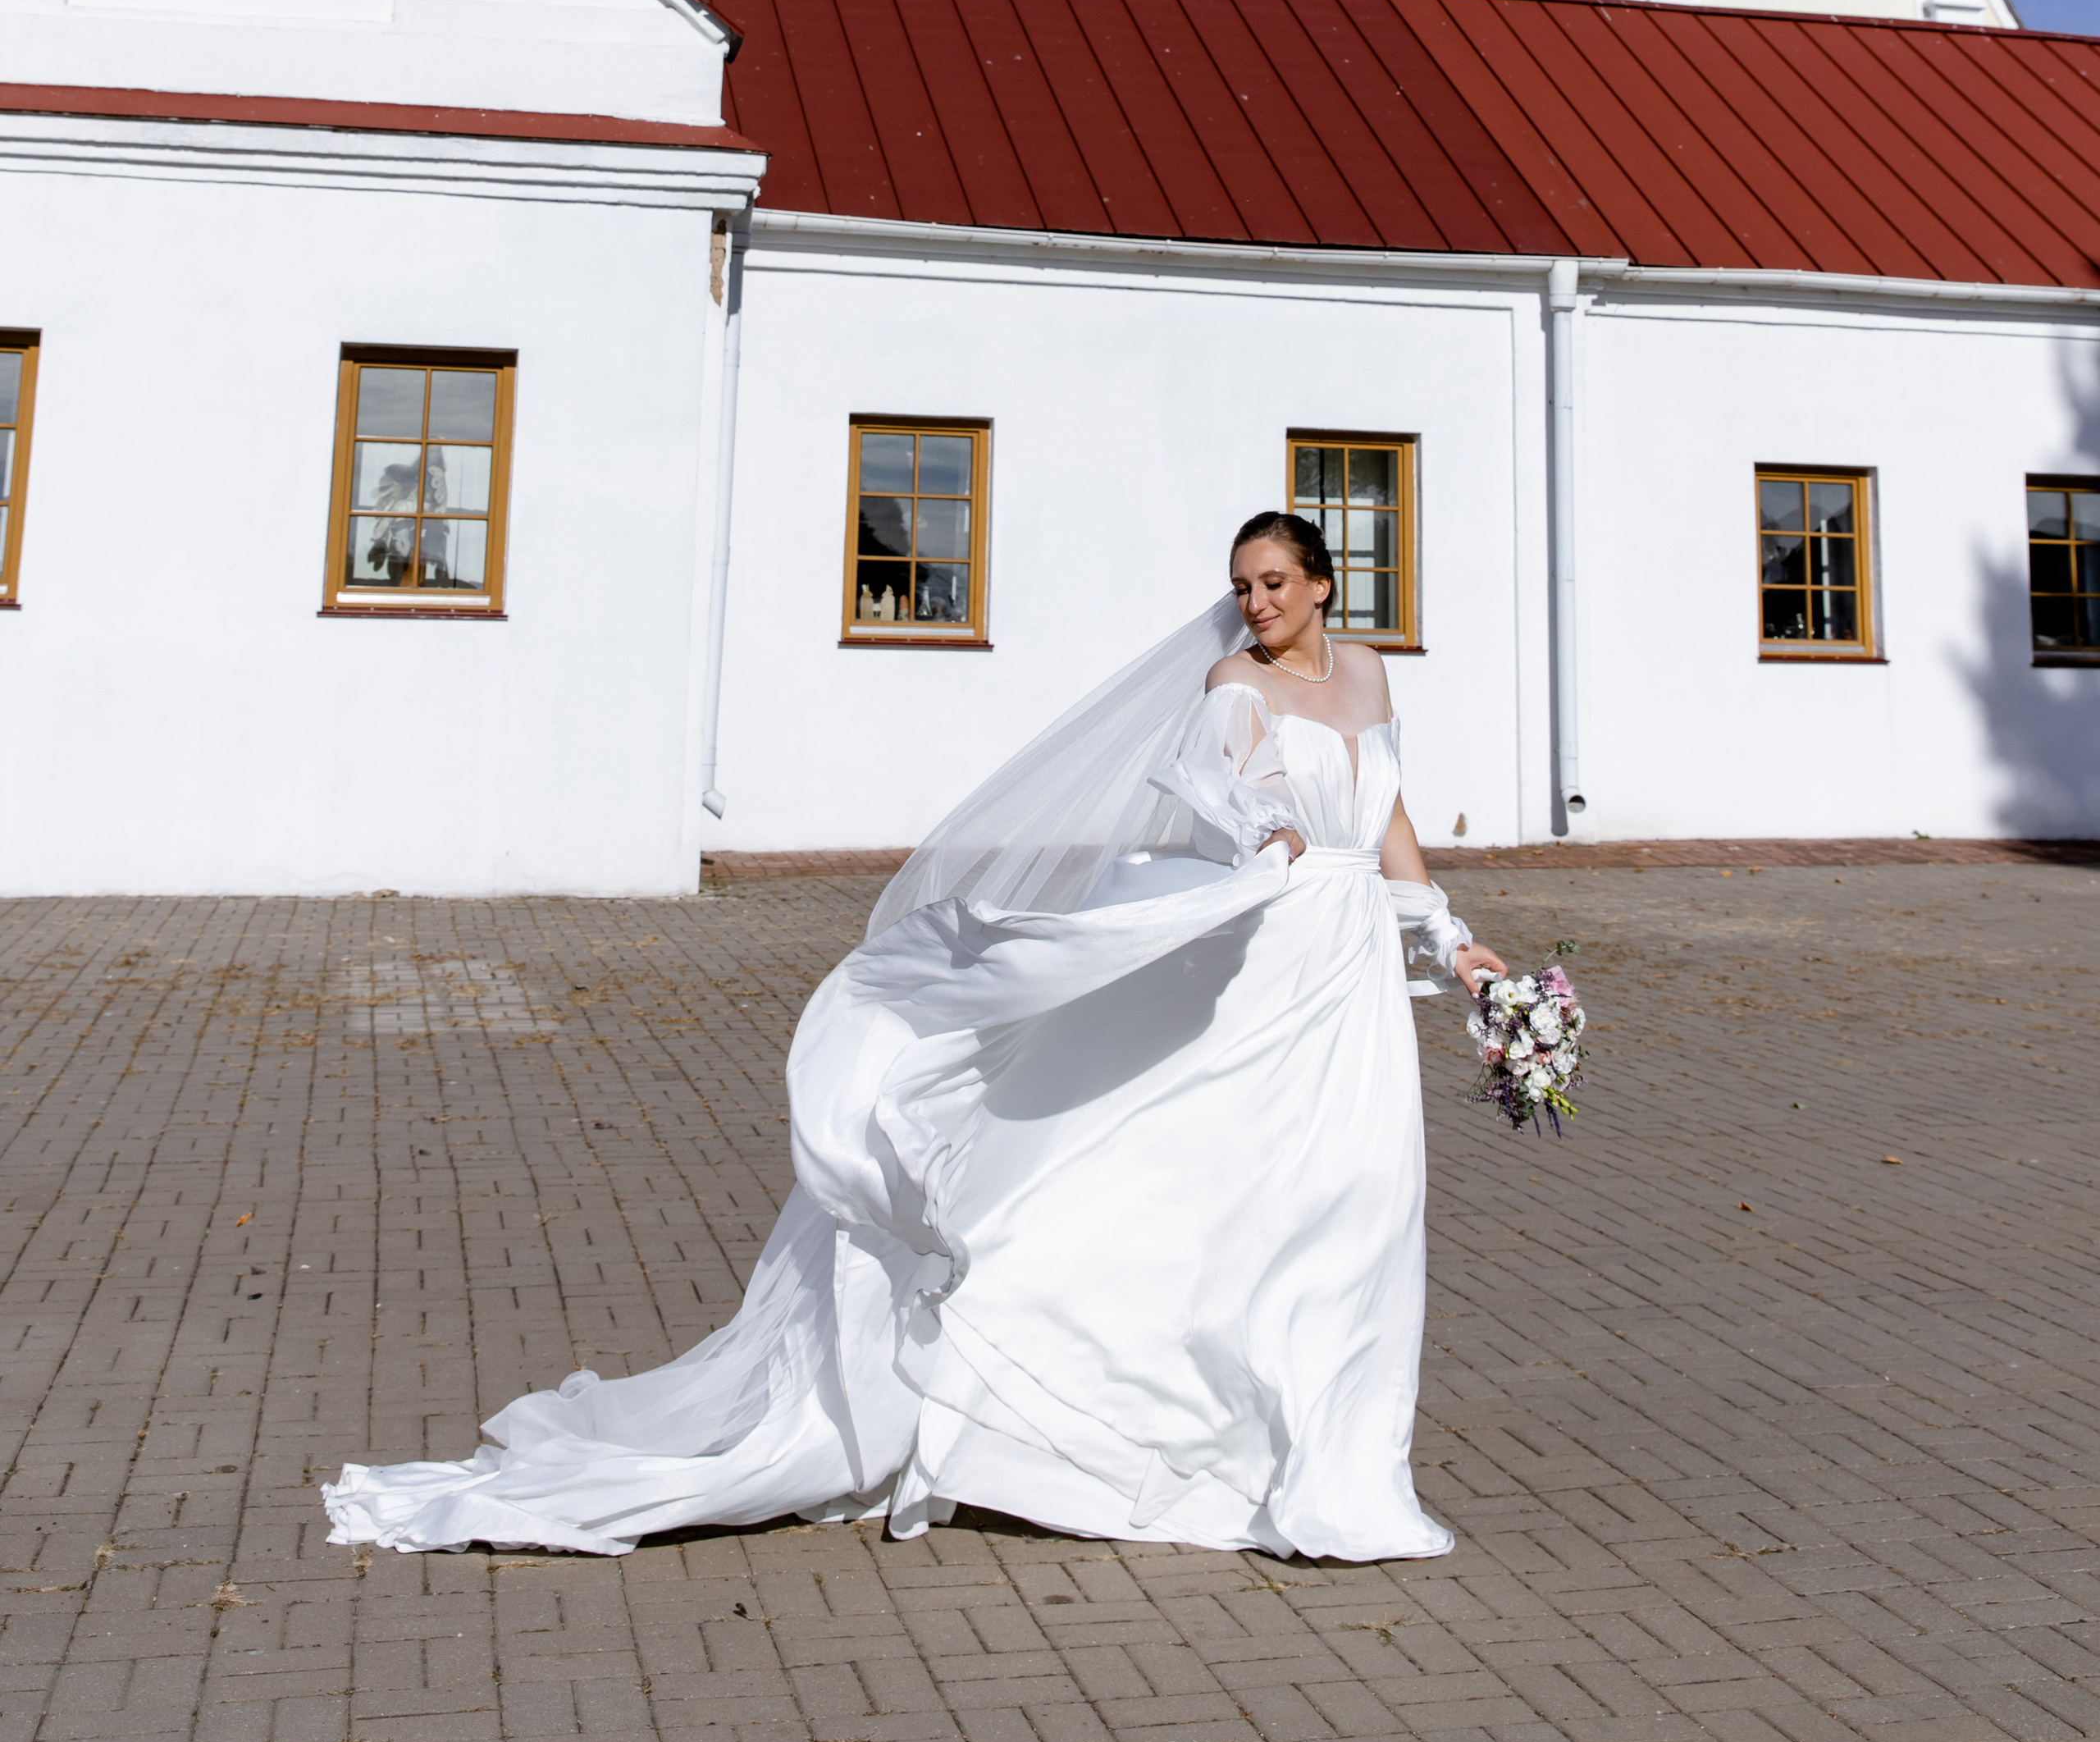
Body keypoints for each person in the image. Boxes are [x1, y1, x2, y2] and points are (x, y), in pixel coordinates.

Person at [323, 511, 1505, 1563]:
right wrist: (1268, 834)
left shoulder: (1368, 674)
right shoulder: (1231, 683)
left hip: (1351, 972)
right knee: (1213, 1193)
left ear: (1322, 585)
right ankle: (1120, 1419)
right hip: (1263, 959)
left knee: (1360, 1200)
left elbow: (1389, 816)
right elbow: (1231, 796)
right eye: (1241, 586)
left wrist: (1451, 942)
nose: (1255, 603)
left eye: (1274, 584)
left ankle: (1338, 1465)